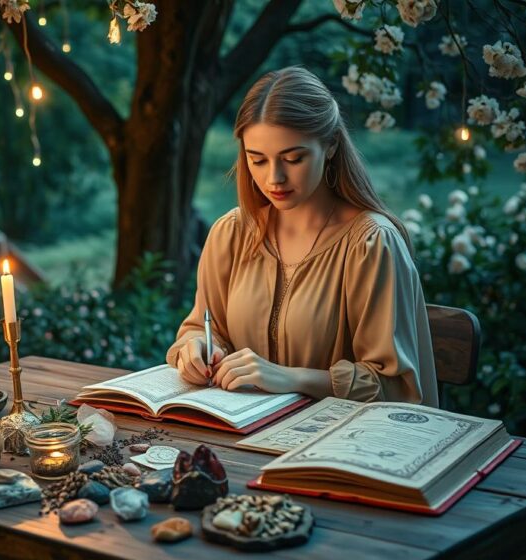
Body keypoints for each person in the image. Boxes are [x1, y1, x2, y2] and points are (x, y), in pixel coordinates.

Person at [166, 66, 438, 407]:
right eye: (257, 160)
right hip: (239, 437)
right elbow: (202, 326)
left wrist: (289, 377)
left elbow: (394, 387)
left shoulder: (371, 244)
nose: (274, 178)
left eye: (293, 158)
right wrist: (197, 347)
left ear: (331, 146)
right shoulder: (231, 234)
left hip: (339, 446)